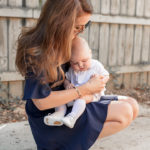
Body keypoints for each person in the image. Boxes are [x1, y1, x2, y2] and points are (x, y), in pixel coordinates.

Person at [15, 0, 139, 150]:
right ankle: (62, 143)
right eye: (77, 27)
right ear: (60, 23)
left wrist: (96, 80)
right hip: (52, 115)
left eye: (85, 26)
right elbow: (42, 102)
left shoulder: (67, 41)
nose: (81, 31)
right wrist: (85, 89)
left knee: (133, 104)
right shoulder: (37, 51)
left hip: (72, 101)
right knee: (124, 112)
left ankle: (72, 141)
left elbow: (84, 64)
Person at [44, 37, 110, 128]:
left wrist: (99, 79)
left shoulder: (96, 65)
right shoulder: (72, 70)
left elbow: (106, 75)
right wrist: (67, 84)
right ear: (70, 62)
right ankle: (58, 114)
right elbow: (66, 79)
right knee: (61, 97)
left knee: (81, 99)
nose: (80, 65)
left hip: (92, 95)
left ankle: (72, 117)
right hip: (75, 94)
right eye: (75, 63)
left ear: (90, 53)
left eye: (84, 61)